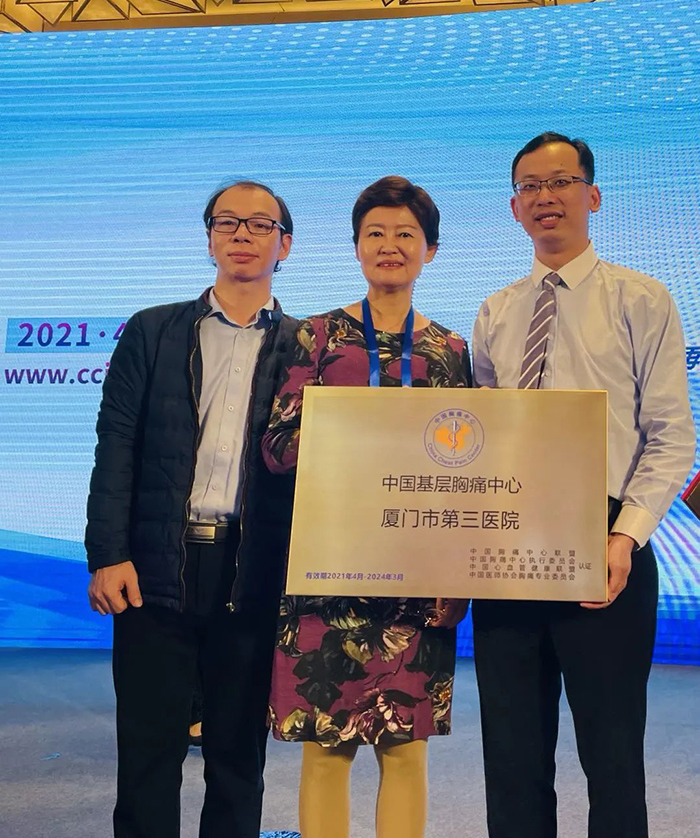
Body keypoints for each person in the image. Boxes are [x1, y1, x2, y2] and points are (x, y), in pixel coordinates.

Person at [471, 133, 696, 838]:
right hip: (507, 545)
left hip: (606, 545)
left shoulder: (642, 298)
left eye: (561, 181)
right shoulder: (495, 311)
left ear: (592, 196)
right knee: (512, 757)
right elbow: (483, 440)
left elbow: (671, 435)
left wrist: (624, 538)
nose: (546, 197)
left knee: (612, 754)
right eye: (530, 186)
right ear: (514, 207)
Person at [85, 180, 297, 838]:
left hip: (253, 573)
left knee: (238, 759)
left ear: (285, 244)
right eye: (227, 222)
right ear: (209, 238)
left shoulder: (307, 347)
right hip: (154, 568)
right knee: (147, 755)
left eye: (260, 224)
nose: (242, 234)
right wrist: (108, 553)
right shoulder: (152, 330)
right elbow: (116, 445)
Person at [262, 175, 471, 838]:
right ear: (356, 247)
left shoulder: (451, 352)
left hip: (417, 580)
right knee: (327, 750)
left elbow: (471, 473)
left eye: (406, 234)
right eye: (375, 233)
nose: (390, 245)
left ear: (430, 250)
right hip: (326, 574)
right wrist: (358, 441)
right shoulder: (316, 337)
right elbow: (276, 446)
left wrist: (458, 578)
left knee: (405, 752)